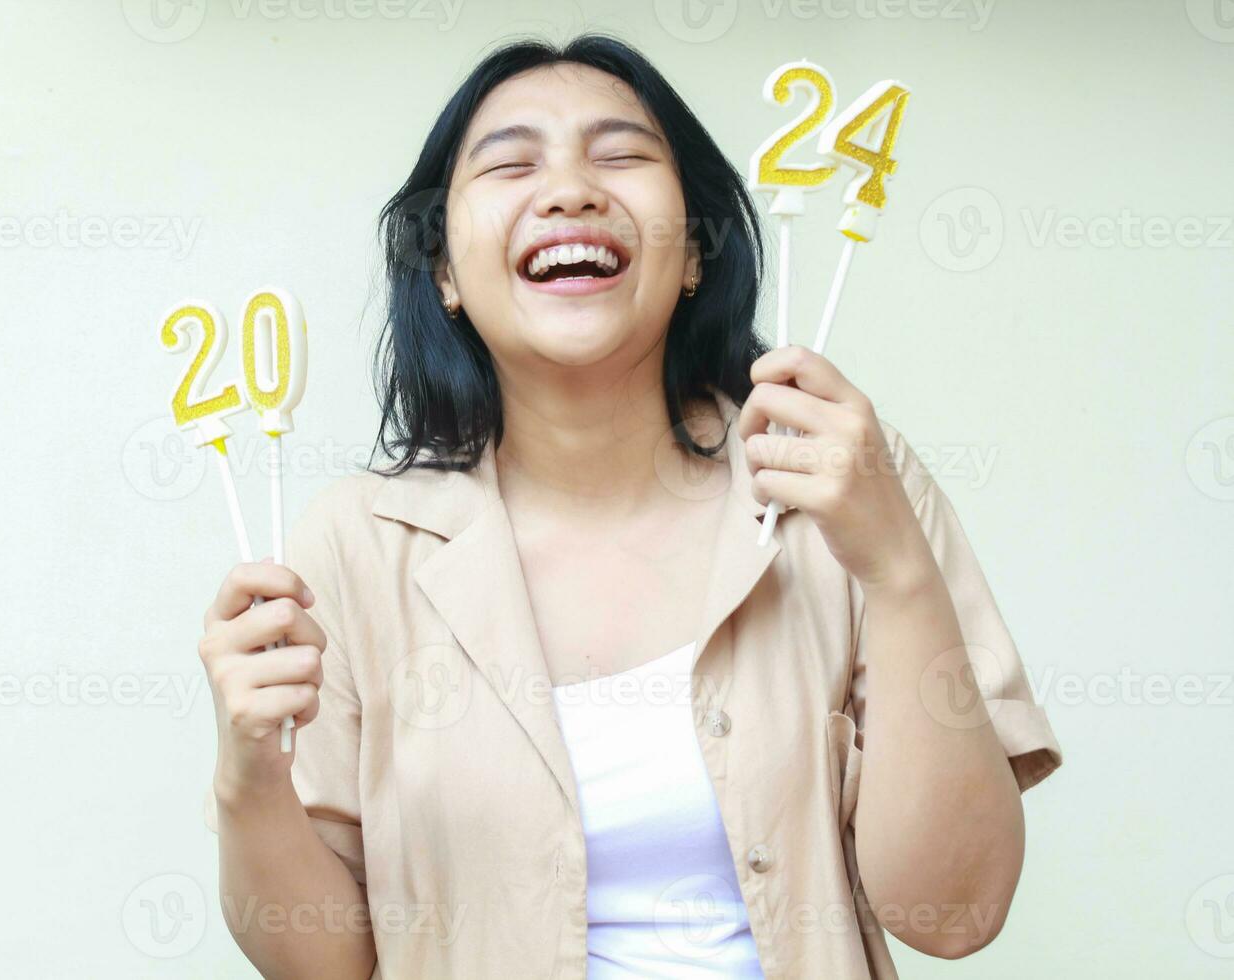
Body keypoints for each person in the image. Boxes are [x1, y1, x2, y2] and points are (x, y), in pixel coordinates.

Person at [196, 33, 1062, 979]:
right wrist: (248, 774)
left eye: (620, 156)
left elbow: (957, 912)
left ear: (692, 250)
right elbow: (324, 964)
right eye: (511, 163)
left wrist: (898, 571)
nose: (570, 190)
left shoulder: (845, 479)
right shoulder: (357, 546)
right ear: (443, 271)